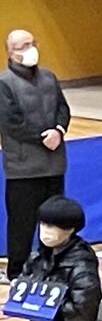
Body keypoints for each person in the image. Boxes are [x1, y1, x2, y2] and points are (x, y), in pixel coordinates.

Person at [0, 29, 71, 280]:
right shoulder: (4, 83)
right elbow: (12, 123)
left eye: (32, 43)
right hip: (23, 169)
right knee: (22, 223)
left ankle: (50, 268)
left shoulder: (49, 77)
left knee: (54, 221)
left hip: (54, 164)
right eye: (23, 46)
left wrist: (59, 130)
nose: (30, 49)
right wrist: (44, 137)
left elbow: (63, 108)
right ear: (11, 52)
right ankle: (16, 272)